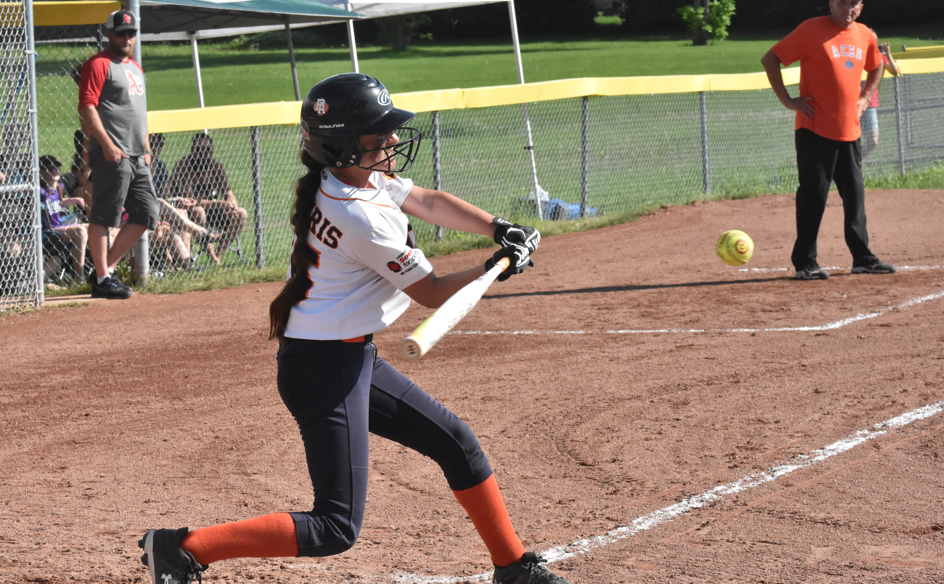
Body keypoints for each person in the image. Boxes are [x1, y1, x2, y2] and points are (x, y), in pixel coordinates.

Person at [137, 73, 568, 584]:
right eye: (376, 133)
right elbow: (429, 293)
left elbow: (427, 201)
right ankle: (182, 548)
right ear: (341, 146)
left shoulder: (351, 180)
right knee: (334, 526)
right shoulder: (361, 216)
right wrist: (494, 266)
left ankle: (512, 567)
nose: (390, 140)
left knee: (456, 443)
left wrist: (499, 228)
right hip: (324, 369)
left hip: (345, 357)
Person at [761, 0, 897, 280]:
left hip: (850, 130)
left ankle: (863, 258)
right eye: (844, 2)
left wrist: (865, 97)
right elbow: (770, 59)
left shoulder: (864, 34)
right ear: (832, 4)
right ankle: (805, 261)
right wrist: (787, 100)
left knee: (855, 196)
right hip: (814, 129)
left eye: (855, 3)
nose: (850, 8)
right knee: (814, 196)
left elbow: (877, 66)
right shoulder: (811, 29)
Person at [78, 9, 158, 299]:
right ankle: (102, 278)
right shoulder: (98, 64)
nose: (127, 37)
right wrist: (107, 145)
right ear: (108, 33)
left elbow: (140, 114)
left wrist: (146, 148)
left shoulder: (136, 68)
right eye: (121, 32)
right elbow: (87, 107)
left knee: (147, 213)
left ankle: (104, 271)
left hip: (137, 154)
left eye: (131, 32)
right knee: (104, 214)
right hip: (112, 153)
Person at [170, 132, 247, 262]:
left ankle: (218, 254)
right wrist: (221, 204)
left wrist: (232, 205)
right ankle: (212, 258)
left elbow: (229, 193)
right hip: (189, 211)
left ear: (212, 152)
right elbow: (190, 202)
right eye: (198, 150)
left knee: (242, 214)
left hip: (212, 210)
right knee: (199, 211)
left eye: (207, 150)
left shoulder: (216, 167)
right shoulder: (184, 166)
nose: (203, 154)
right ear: (192, 151)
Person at [38, 155, 88, 282]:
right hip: (48, 231)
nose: (55, 170)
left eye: (56, 167)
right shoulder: (39, 191)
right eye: (50, 168)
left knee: (92, 227)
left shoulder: (59, 187)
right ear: (41, 172)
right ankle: (79, 278)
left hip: (59, 224)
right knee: (80, 231)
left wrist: (76, 200)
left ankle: (95, 270)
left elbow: (59, 202)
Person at [859, 33, 901, 159]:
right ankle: (848, 164)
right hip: (851, 103)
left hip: (869, 104)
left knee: (873, 141)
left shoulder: (879, 57)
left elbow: (895, 72)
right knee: (849, 139)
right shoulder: (856, 55)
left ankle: (855, 161)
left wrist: (888, 55)